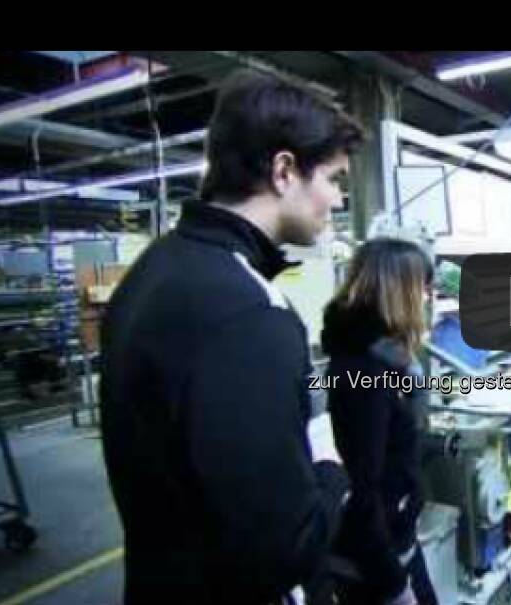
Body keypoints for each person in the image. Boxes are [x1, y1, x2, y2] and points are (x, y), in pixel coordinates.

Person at [100, 70, 362, 605]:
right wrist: (331, 464)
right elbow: (285, 546)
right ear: (284, 171)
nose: (337, 200)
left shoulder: (153, 273)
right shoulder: (249, 311)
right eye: (335, 179)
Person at [321, 239, 438, 605]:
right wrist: (392, 584)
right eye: (423, 287)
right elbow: (363, 486)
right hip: (376, 561)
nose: (428, 297)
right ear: (399, 291)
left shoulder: (388, 359)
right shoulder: (364, 372)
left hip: (398, 539)